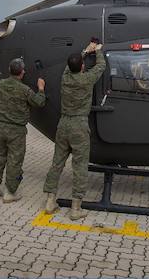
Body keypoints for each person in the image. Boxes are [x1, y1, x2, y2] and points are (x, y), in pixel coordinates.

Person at [43, 41, 106, 220]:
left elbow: (68, 67)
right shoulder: (86, 79)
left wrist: (85, 51)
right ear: (82, 67)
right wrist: (98, 51)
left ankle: (50, 201)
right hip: (79, 125)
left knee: (57, 163)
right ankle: (75, 208)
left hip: (63, 124)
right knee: (79, 166)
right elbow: (101, 66)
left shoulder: (66, 78)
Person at [0, 57, 46, 203]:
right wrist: (41, 89)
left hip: (0, 127)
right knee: (14, 160)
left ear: (9, 70)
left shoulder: (1, 84)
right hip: (16, 130)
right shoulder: (25, 90)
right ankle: (10, 192)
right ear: (22, 73)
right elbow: (39, 103)